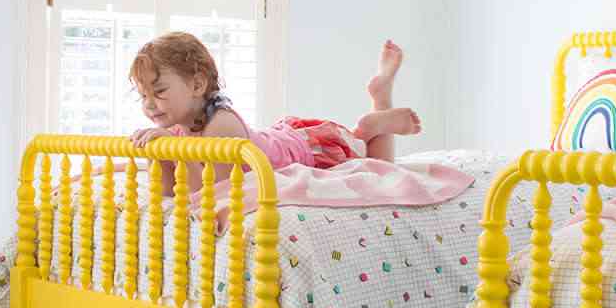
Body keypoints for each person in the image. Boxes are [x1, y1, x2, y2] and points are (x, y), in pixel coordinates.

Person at [128, 31, 421, 192]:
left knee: (383, 170)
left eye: (160, 92)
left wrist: (174, 151)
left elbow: (209, 194)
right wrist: (160, 154)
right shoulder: (177, 128)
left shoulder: (221, 126)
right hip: (279, 139)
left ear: (197, 84)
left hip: (308, 150)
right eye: (143, 95)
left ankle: (376, 111)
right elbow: (168, 192)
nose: (150, 104)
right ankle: (373, 112)